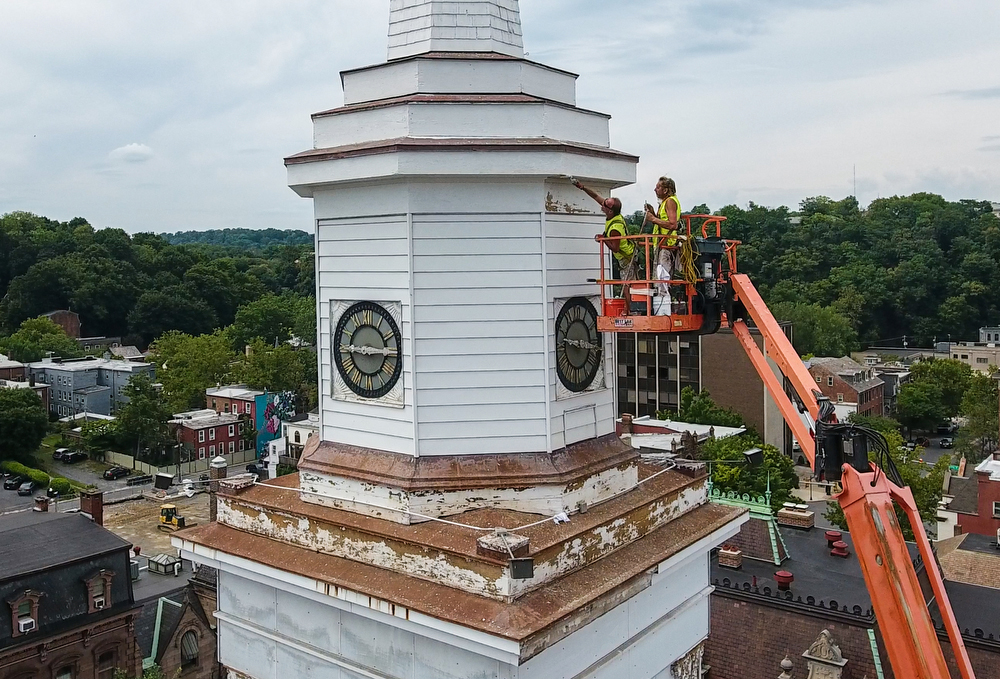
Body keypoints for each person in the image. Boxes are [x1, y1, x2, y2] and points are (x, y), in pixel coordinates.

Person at [573, 179, 638, 302]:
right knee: (629, 284)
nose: (602, 203)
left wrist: (604, 239)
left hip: (626, 257)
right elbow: (595, 196)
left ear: (610, 210)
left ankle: (630, 309)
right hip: (627, 255)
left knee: (627, 285)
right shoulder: (613, 214)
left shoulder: (615, 228)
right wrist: (582, 187)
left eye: (605, 203)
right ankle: (630, 307)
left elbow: (615, 248)